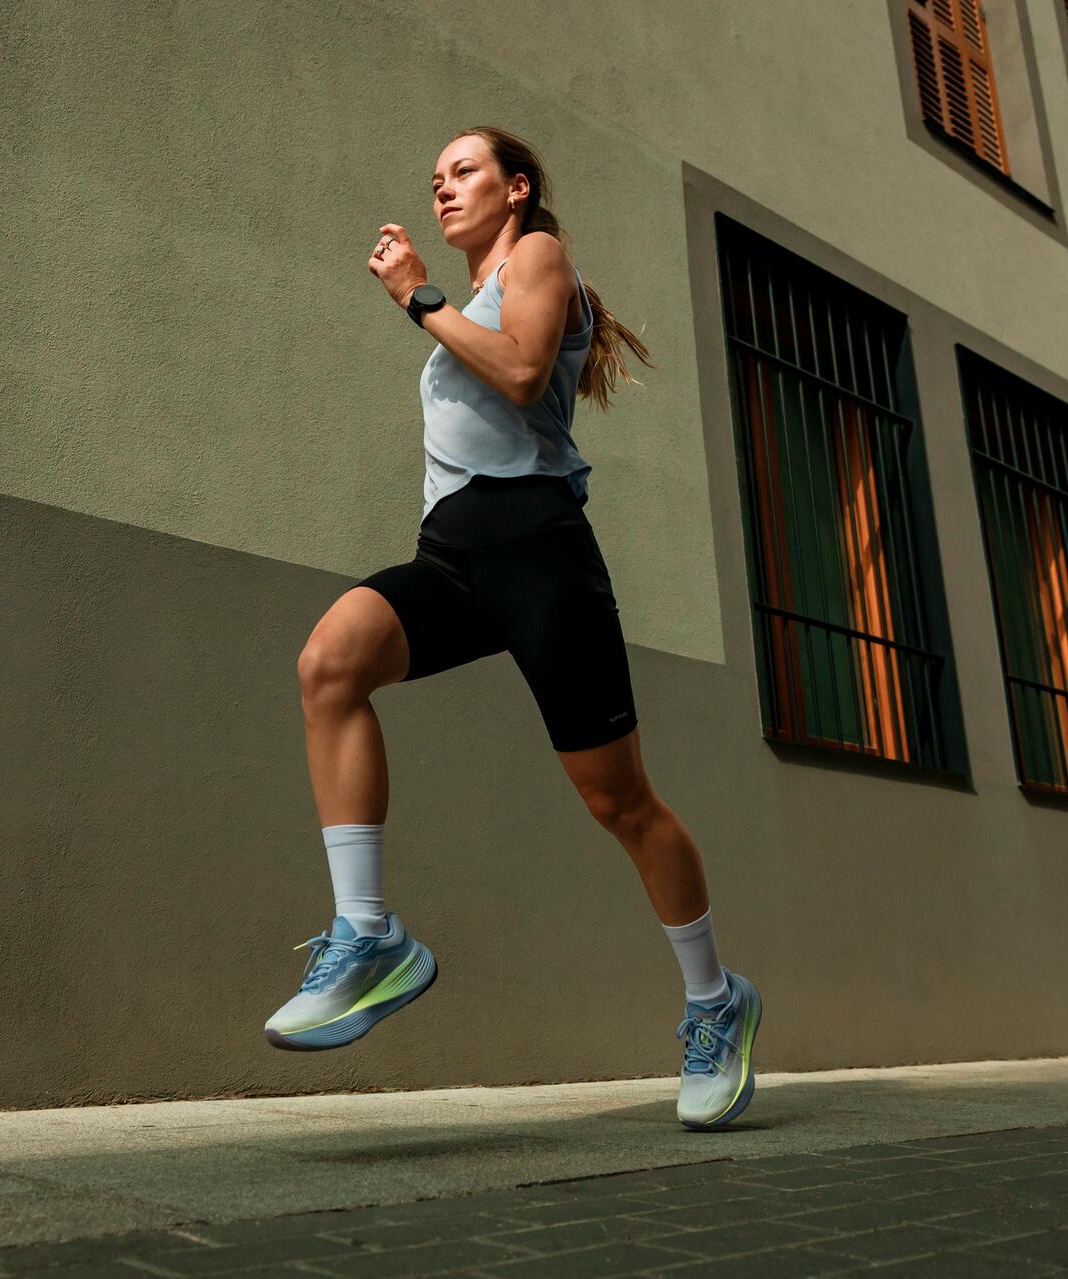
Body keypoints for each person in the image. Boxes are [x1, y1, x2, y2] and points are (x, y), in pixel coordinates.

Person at [264, 126, 762, 1131]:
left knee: (619, 803)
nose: (442, 188)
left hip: (539, 551)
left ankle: (716, 1001)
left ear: (517, 188)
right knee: (329, 662)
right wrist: (430, 304)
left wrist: (417, 295)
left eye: (462, 171)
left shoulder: (538, 258)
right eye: (434, 175)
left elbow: (527, 373)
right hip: (452, 556)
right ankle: (369, 936)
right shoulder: (461, 300)